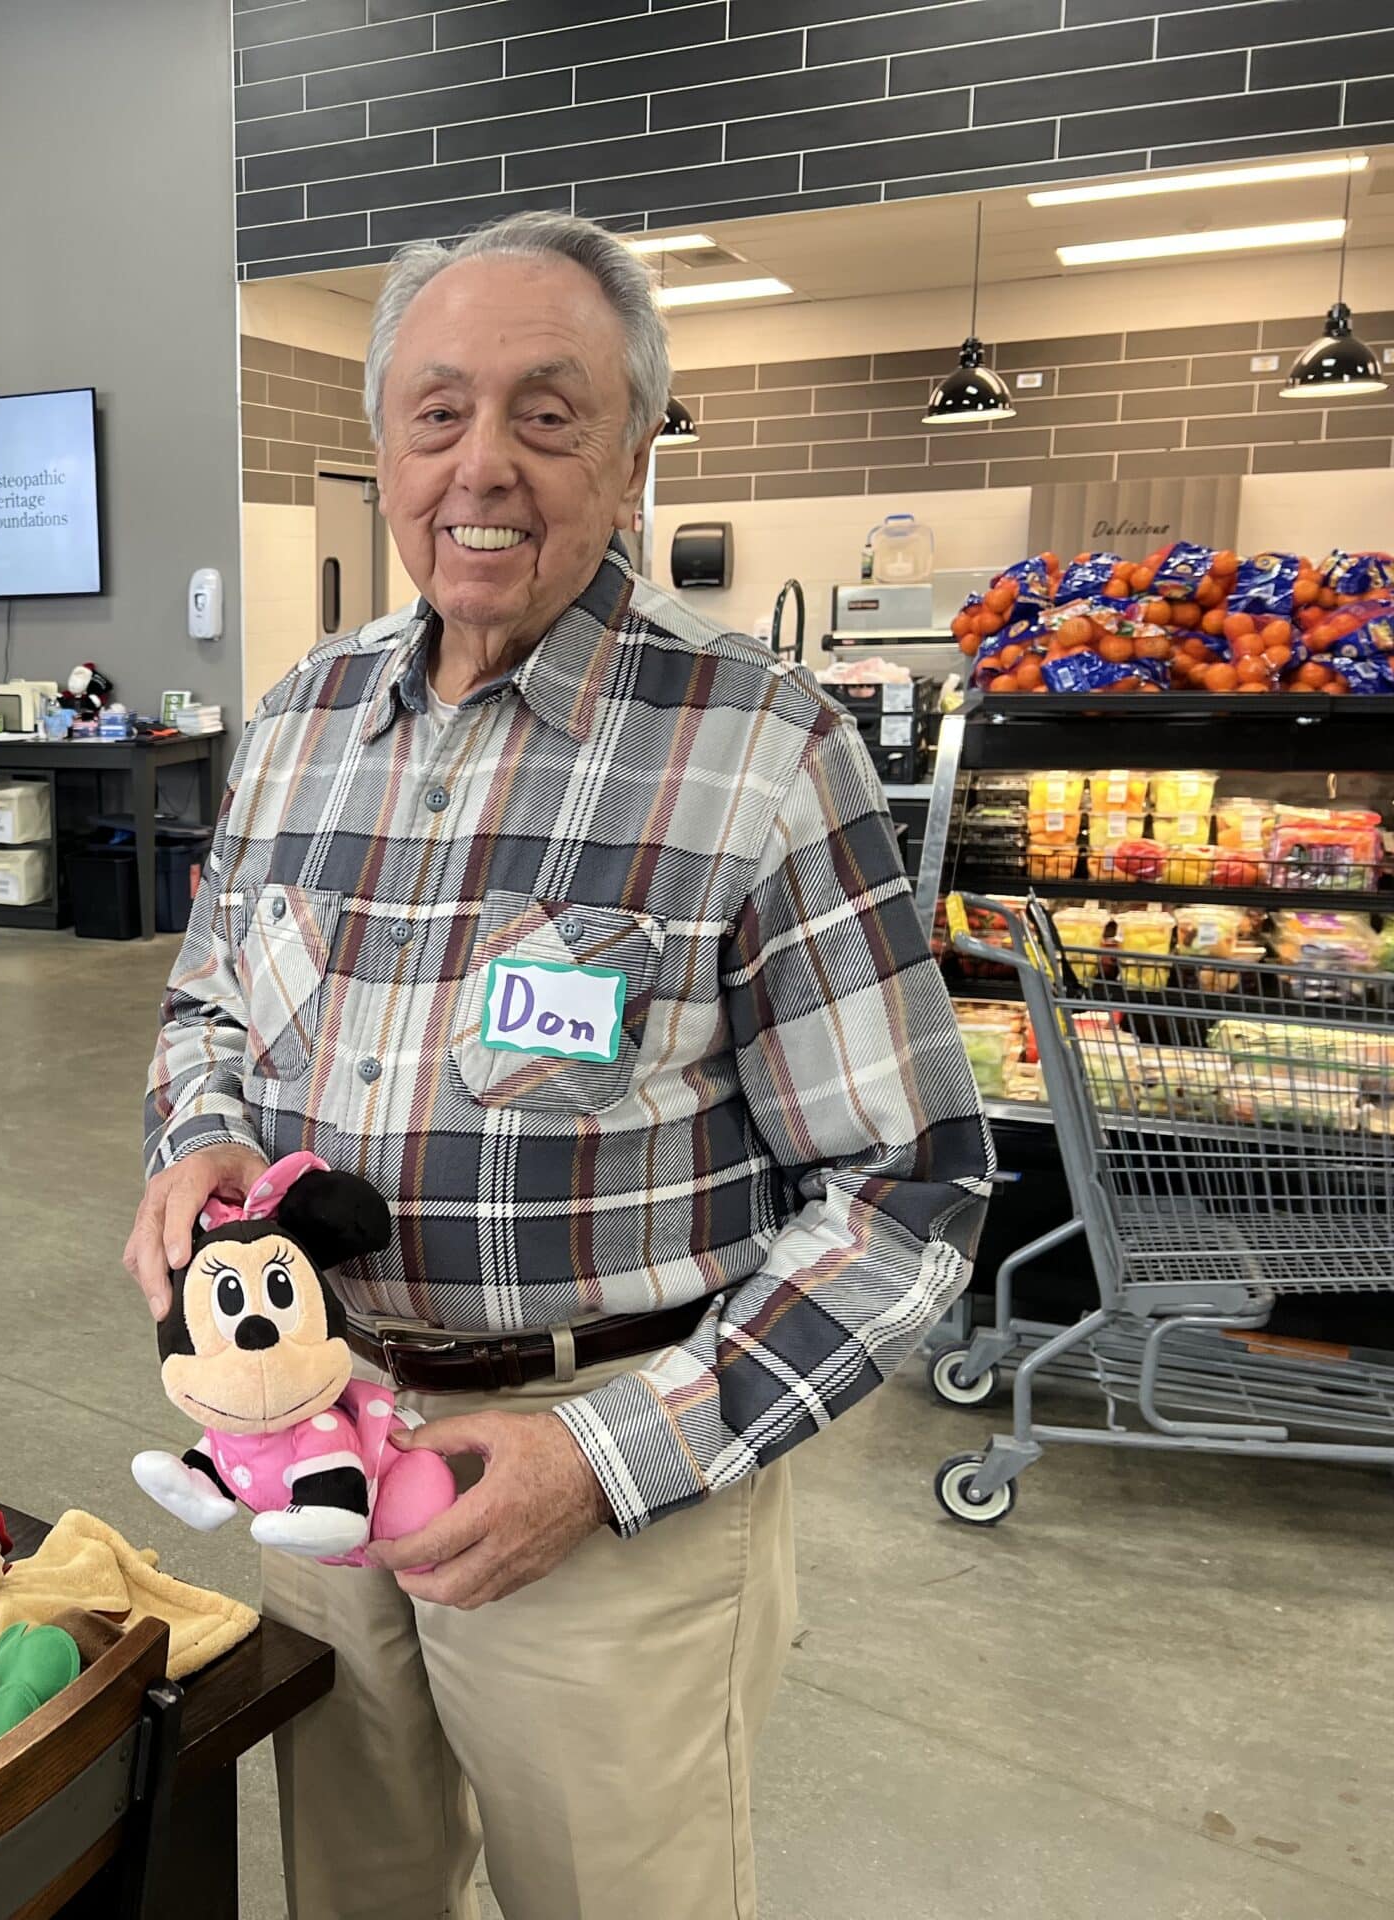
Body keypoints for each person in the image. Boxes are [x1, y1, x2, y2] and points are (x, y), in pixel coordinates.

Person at [129, 211, 994, 1920]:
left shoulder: (760, 751)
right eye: (438, 412)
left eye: (551, 411)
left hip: (610, 1494)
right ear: (383, 445)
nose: (486, 466)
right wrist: (198, 1137)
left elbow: (908, 1195)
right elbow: (207, 1009)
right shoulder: (302, 723)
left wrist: (606, 1463)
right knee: (350, 1898)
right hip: (313, 1454)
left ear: (633, 451)